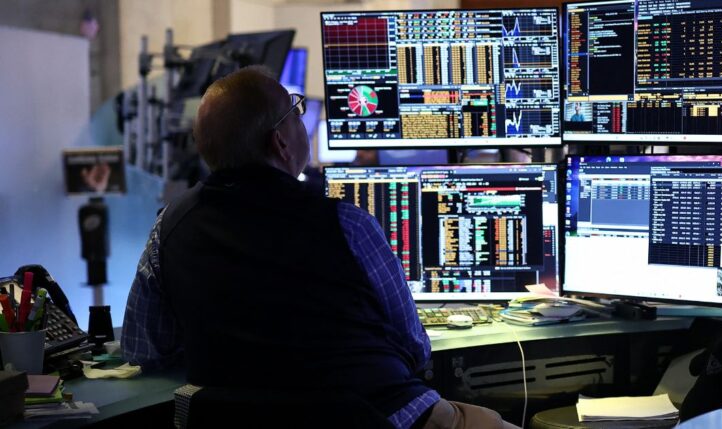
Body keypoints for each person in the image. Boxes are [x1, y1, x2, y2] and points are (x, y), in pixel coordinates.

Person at [121, 66, 519, 429]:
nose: (303, 121)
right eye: (296, 112)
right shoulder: (347, 224)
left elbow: (144, 349)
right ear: (279, 141)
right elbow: (415, 348)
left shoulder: (169, 227)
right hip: (387, 415)